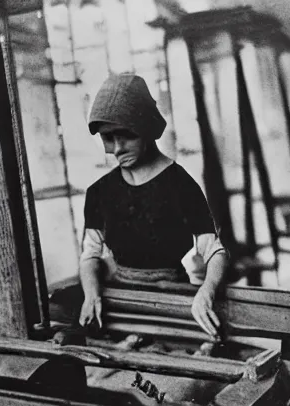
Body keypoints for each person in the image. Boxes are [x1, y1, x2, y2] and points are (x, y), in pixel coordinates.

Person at [78, 73, 229, 339]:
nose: (117, 149)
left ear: (146, 128)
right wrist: (91, 294)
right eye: (107, 138)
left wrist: (206, 290)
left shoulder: (180, 184)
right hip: (119, 300)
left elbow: (214, 250)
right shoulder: (100, 192)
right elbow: (90, 254)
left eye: (125, 136)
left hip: (171, 297)